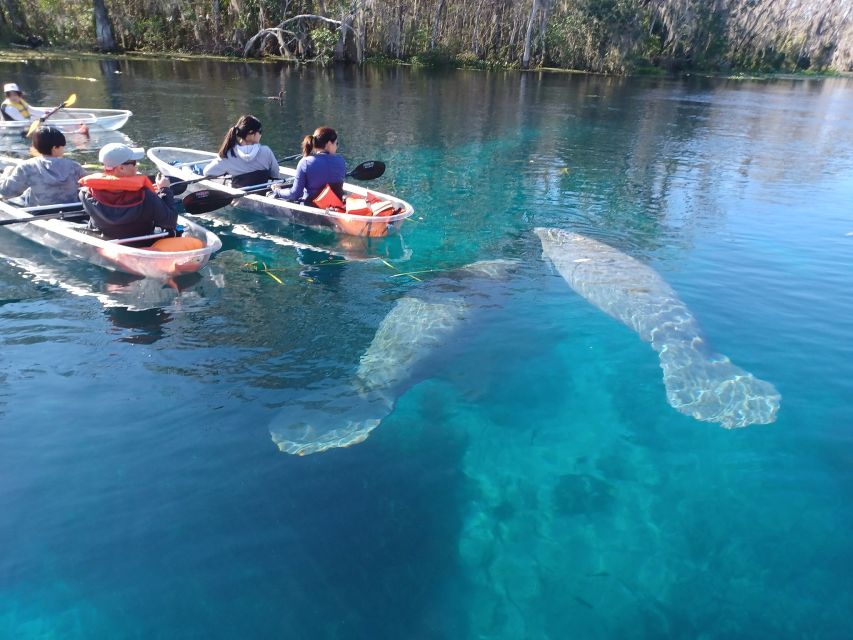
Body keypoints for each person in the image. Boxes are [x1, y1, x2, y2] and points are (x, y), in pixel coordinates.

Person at [78, 143, 179, 240]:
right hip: (142, 244)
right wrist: (164, 190)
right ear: (121, 168)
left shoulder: (85, 194)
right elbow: (170, 222)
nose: (137, 166)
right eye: (134, 163)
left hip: (108, 244)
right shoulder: (145, 195)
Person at [0, 126, 87, 206]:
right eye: (62, 146)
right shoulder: (74, 166)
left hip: (41, 212)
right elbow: (88, 189)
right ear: (54, 147)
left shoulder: (27, 166)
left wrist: (5, 175)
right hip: (71, 211)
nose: (64, 149)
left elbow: (7, 192)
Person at [273, 126, 346, 205]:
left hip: (312, 205)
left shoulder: (305, 162)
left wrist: (278, 191)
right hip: (336, 205)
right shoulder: (341, 160)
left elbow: (294, 194)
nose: (336, 147)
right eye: (336, 143)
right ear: (328, 143)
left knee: (272, 195)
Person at [203, 115, 280, 187]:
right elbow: (275, 175)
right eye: (260, 131)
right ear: (251, 133)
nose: (261, 134)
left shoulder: (229, 155)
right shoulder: (266, 151)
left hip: (239, 198)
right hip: (262, 193)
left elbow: (207, 172)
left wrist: (227, 173)